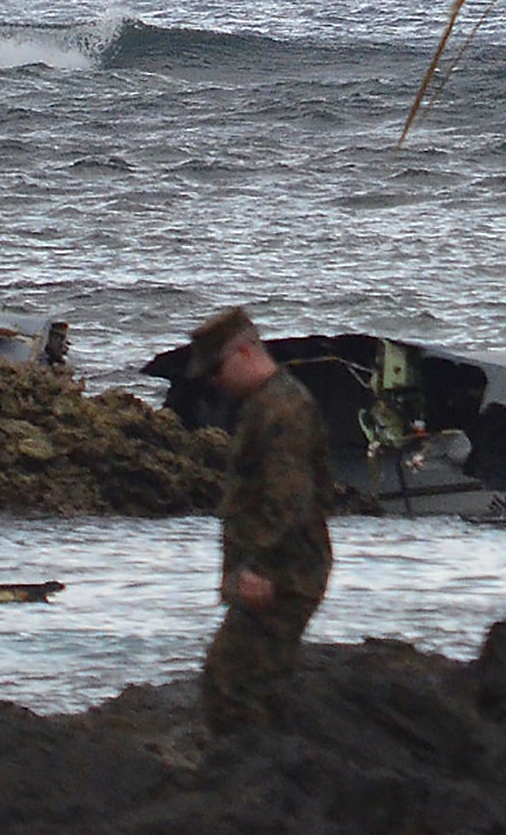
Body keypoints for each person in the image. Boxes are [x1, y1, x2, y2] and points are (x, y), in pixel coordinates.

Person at [189, 304, 332, 732]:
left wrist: (260, 568)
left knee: (236, 688)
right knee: (237, 684)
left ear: (245, 353)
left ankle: (259, 784)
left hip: (283, 577)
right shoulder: (261, 405)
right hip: (270, 575)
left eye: (216, 369)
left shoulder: (284, 411)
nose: (214, 381)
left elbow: (290, 499)